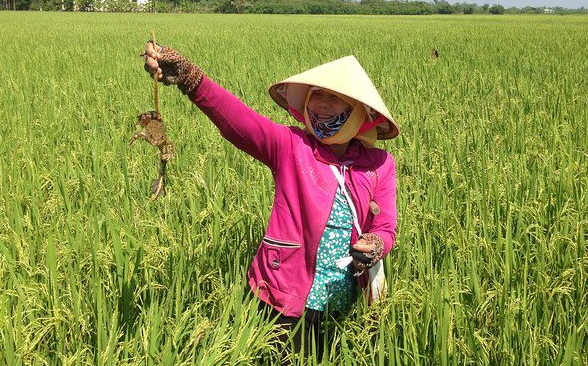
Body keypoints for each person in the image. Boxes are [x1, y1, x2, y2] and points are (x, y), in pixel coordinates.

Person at [143, 42, 399, 353]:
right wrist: (190, 78)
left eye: (335, 97)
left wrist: (375, 244)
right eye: (316, 94)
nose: (322, 104)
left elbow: (385, 226)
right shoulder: (291, 146)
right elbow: (239, 122)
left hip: (343, 306)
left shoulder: (380, 165)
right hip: (281, 297)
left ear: (359, 111)